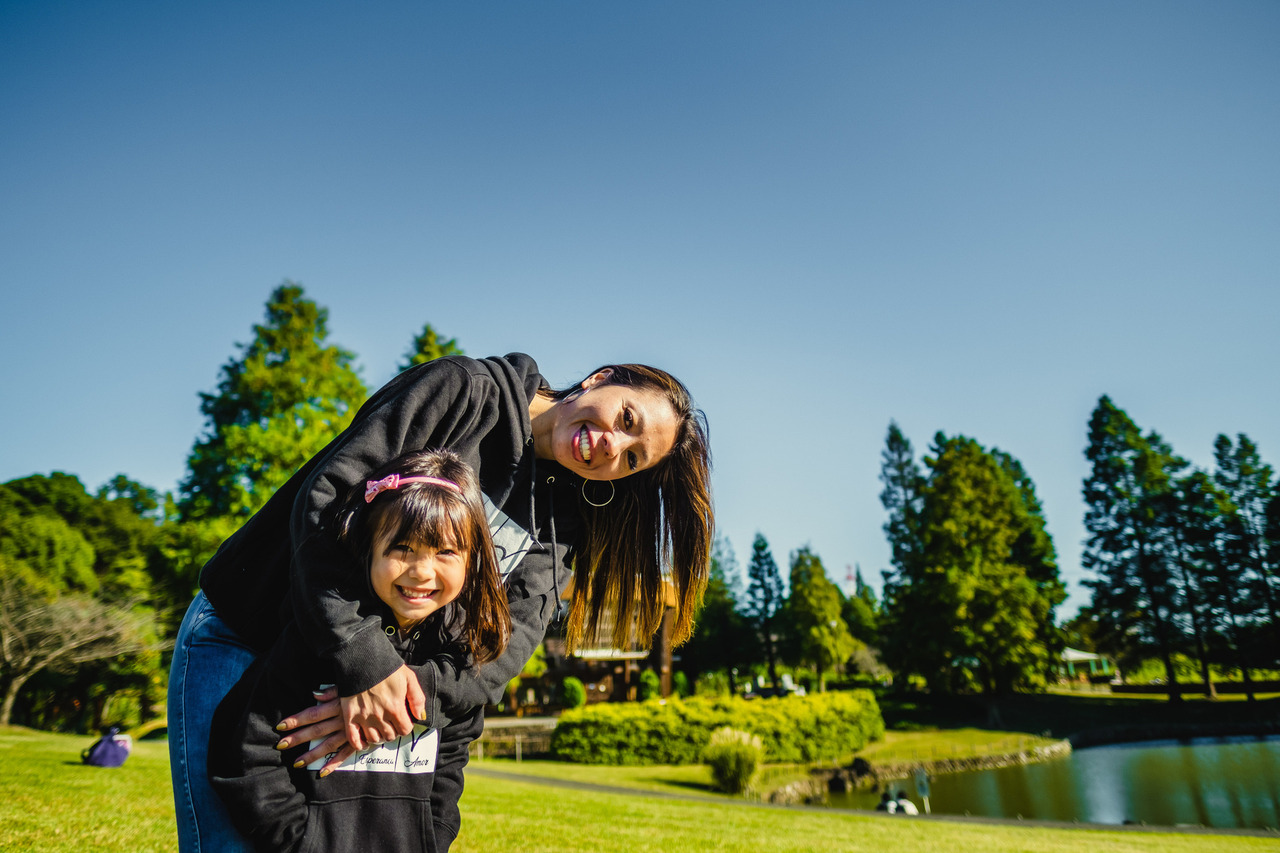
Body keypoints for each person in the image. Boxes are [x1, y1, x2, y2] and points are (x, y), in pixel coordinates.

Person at [168, 353, 713, 852]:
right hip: (247, 636)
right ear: (600, 379)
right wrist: (366, 662)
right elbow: (326, 502)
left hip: (355, 701)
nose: (612, 447)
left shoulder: (563, 519)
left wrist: (405, 694)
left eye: (633, 458)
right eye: (626, 419)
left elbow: (506, 646)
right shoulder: (464, 393)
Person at [209, 449, 510, 852]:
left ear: (471, 560)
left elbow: (451, 762)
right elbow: (246, 751)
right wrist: (301, 841)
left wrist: (430, 837)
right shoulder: (318, 643)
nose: (422, 571)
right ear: (369, 548)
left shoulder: (458, 658)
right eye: (402, 548)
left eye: (445, 552)